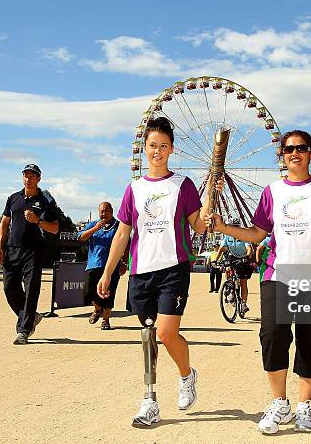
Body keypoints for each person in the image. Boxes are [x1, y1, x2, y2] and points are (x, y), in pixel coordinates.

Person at [206, 130, 311, 434]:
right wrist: (226, 227)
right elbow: (257, 233)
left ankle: (304, 406)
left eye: (301, 148)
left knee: (310, 341)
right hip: (277, 274)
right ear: (281, 155)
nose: (295, 152)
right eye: (288, 149)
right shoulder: (272, 192)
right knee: (272, 335)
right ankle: (279, 402)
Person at [97, 117, 221, 427]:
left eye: (163, 146)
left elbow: (196, 223)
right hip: (142, 271)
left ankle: (185, 375)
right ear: (145, 149)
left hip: (174, 268)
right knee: (148, 335)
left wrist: (210, 202)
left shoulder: (183, 185)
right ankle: (150, 399)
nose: (158, 151)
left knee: (166, 333)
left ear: (171, 149)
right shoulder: (134, 189)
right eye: (153, 146)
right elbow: (123, 234)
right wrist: (108, 272)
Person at [0, 164, 60, 345]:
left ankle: (23, 330)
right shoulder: (13, 198)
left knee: (31, 290)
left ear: (39, 179)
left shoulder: (46, 200)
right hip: (12, 249)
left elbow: (55, 228)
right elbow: (4, 223)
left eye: (32, 176)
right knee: (9, 288)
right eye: (25, 175)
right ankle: (32, 317)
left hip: (34, 251)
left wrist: (38, 220)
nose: (28, 179)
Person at [78, 202, 127, 330]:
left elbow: (127, 243)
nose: (103, 214)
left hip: (112, 266)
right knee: (89, 292)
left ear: (112, 211)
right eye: (101, 211)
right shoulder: (94, 224)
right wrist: (95, 229)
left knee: (109, 293)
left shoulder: (118, 226)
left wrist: (125, 262)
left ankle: (106, 319)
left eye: (106, 211)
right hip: (94, 264)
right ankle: (97, 309)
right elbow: (80, 237)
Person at [216, 219, 253, 316]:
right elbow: (221, 249)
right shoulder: (227, 237)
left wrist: (247, 257)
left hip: (243, 258)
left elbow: (249, 249)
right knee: (227, 268)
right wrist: (215, 260)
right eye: (232, 226)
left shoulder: (244, 235)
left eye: (235, 226)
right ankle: (229, 286)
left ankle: (244, 304)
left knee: (243, 282)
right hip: (233, 257)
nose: (233, 228)